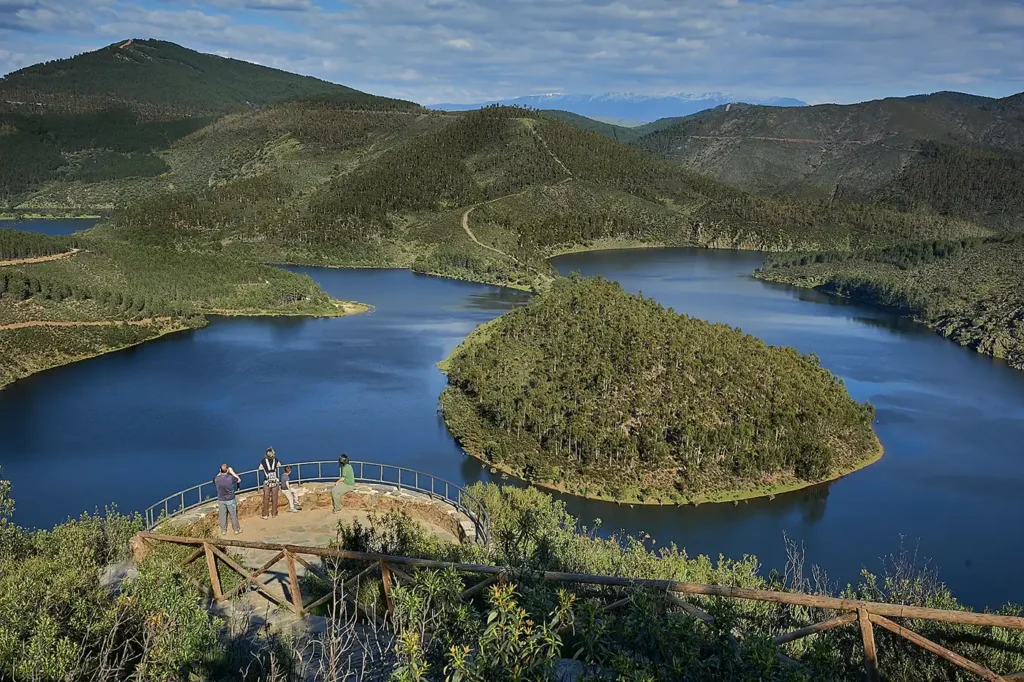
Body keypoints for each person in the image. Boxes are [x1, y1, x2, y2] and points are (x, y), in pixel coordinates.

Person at [214, 463, 242, 535]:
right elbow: (239, 480)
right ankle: (236, 529)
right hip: (230, 499)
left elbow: (215, 479)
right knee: (233, 515)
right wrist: (232, 472)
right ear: (227, 470)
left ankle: (223, 530)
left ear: (220, 470)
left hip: (221, 500)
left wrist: (220, 472)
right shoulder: (230, 478)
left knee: (222, 515)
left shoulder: (217, 479)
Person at [259, 447, 281, 519]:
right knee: (275, 497)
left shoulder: (263, 461)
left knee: (266, 498)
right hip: (275, 481)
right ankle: (274, 513)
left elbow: (260, 468)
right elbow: (279, 465)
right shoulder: (276, 460)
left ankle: (265, 514)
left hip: (267, 481)